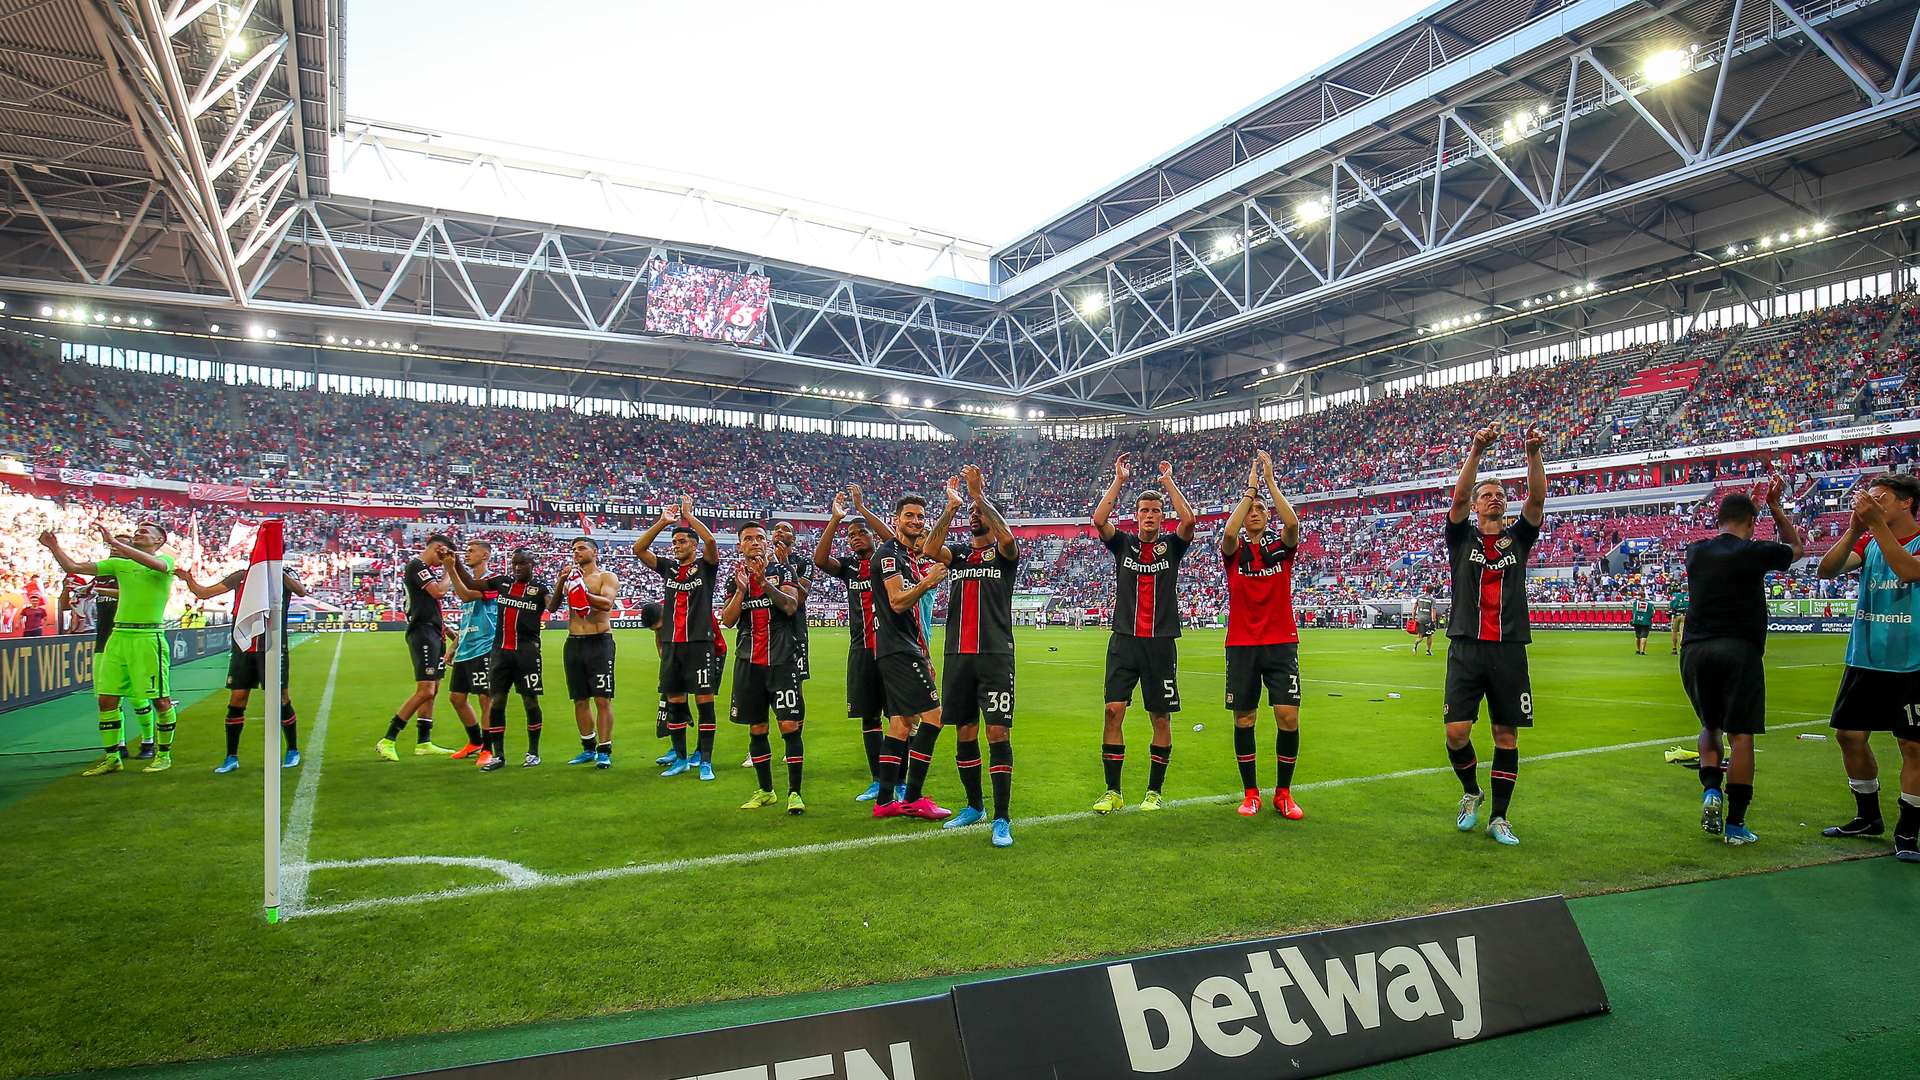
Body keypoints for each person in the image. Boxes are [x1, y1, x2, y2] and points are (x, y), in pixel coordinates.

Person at [1680, 479, 1803, 844]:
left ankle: (1711, 790)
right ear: (1751, 522)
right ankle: (1735, 824)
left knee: (1710, 725)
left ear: (1718, 519)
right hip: (1739, 650)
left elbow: (1730, 538)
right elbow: (1796, 549)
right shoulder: (1755, 552)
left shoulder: (1695, 551)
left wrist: (1749, 508)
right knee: (1741, 734)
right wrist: (1776, 508)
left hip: (1696, 650)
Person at [1441, 422, 1546, 847]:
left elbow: (1537, 498)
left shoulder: (1518, 539)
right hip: (1466, 645)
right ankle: (1471, 791)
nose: (1494, 498)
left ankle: (1499, 817)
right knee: (1456, 733)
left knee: (1506, 735)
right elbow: (1459, 496)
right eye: (1488, 494)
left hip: (1508, 649)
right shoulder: (1460, 537)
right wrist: (1476, 451)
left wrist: (1533, 455)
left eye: (1500, 494)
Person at [1814, 472, 1920, 862]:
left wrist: (1874, 525)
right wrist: (1855, 528)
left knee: (1913, 745)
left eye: (1881, 499)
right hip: (1866, 658)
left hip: (1913, 663)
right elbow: (1827, 570)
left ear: (1907, 502)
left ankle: (1908, 832)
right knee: (1849, 735)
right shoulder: (1868, 540)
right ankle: (1867, 816)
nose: (1871, 504)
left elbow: (1908, 570)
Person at [1090, 452, 1196, 814]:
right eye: (1143, 511)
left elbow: (1190, 520)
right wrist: (1119, 479)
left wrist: (1168, 481)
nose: (1149, 516)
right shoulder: (1123, 544)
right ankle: (1113, 791)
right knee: (1112, 710)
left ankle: (1154, 791)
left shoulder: (1172, 546)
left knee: (1160, 717)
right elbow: (1098, 519)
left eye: (1154, 511)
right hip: (1124, 641)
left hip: (1161, 643)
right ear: (1136, 516)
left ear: (1160, 516)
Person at [921, 465, 1019, 847]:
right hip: (958, 655)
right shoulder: (959, 556)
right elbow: (929, 549)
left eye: (980, 514)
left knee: (998, 731)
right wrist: (953, 506)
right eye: (972, 515)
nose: (974, 517)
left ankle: (1002, 818)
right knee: (964, 729)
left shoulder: (1005, 554)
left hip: (995, 654)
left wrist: (980, 497)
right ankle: (974, 806)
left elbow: (1008, 535)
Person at [39, 523, 180, 775]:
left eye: (146, 532)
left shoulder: (166, 561)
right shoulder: (119, 565)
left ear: (159, 541)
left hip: (148, 636)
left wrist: (116, 543)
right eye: (138, 530)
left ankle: (163, 755)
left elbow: (157, 566)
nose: (139, 533)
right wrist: (54, 547)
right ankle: (113, 758)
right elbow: (73, 567)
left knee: (159, 699)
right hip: (117, 636)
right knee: (107, 699)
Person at [1220, 451, 1305, 820]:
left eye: (1259, 509)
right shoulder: (1234, 551)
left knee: (1288, 716)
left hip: (1280, 642)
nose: (1253, 512)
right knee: (1245, 719)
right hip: (1241, 645)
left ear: (1267, 514)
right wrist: (1249, 490)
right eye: (1249, 509)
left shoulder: (1279, 549)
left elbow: (1293, 526)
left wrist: (1269, 484)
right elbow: (1227, 532)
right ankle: (1251, 792)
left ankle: (1283, 793)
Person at [175, 560, 310, 773]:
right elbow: (203, 594)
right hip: (243, 647)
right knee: (237, 699)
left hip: (273, 646)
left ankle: (292, 750)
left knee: (280, 699)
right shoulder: (241, 576)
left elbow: (301, 591)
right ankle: (231, 756)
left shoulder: (284, 573)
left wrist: (277, 572)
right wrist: (189, 579)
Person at [868, 495, 953, 821]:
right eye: (910, 516)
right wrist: (927, 582)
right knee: (934, 718)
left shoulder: (906, 555)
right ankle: (914, 797)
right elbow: (898, 602)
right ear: (897, 518)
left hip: (903, 649)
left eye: (920, 517)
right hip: (899, 651)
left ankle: (886, 800)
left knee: (901, 726)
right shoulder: (889, 554)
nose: (916, 521)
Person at [814, 485, 894, 800]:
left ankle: (898, 780)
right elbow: (821, 559)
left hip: (890, 647)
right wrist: (835, 520)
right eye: (852, 536)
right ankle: (877, 779)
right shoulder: (849, 568)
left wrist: (862, 511)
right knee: (869, 716)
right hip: (861, 649)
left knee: (897, 716)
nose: (856, 538)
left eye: (861, 533)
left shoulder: (886, 558)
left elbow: (892, 538)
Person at [632, 497, 721, 780]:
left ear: (693, 545)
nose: (677, 545)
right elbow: (639, 549)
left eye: (682, 541)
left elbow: (711, 542)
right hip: (672, 644)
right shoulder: (669, 568)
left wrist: (689, 517)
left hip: (699, 643)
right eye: (675, 542)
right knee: (675, 701)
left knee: (704, 702)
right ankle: (681, 758)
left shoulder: (705, 568)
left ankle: (705, 760)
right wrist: (663, 522)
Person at [721, 523, 807, 813]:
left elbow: (791, 606)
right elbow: (728, 620)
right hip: (749, 662)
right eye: (749, 539)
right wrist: (742, 590)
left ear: (767, 543)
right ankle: (766, 790)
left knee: (789, 726)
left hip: (781, 660)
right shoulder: (735, 580)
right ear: (739, 546)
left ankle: (794, 793)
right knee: (757, 728)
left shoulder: (782, 571)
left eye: (760, 538)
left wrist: (765, 583)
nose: (755, 543)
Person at [445, 545, 550, 770]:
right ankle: (499, 756)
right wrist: (455, 565)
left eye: (523, 563)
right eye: (514, 563)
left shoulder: (540, 588)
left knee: (530, 701)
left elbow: (554, 605)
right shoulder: (502, 583)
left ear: (532, 565)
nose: (517, 567)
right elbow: (471, 584)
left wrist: (561, 584)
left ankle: (533, 752)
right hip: (500, 653)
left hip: (527, 653)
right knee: (497, 703)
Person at [377, 534, 458, 761]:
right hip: (423, 634)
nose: (443, 562)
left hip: (434, 633)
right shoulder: (417, 565)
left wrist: (451, 634)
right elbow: (439, 593)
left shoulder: (424, 569)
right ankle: (388, 739)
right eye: (443, 557)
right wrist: (449, 571)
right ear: (439, 549)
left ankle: (424, 742)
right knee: (426, 690)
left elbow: (430, 607)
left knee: (434, 689)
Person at [553, 537, 620, 768]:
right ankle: (588, 747)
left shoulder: (605, 577)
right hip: (574, 642)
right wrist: (562, 583)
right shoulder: (570, 578)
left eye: (581, 548)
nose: (576, 552)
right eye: (573, 549)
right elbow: (552, 607)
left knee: (602, 699)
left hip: (599, 641)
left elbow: (606, 603)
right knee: (579, 699)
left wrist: (581, 591)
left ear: (595, 552)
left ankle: (604, 749)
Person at [442, 540, 499, 761]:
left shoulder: (493, 581)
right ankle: (475, 741)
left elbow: (466, 594)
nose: (467, 554)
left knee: (485, 699)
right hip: (466, 648)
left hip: (485, 647)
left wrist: (451, 568)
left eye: (471, 551)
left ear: (485, 555)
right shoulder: (470, 581)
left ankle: (487, 749)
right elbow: (467, 620)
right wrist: (454, 645)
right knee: (457, 698)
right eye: (465, 551)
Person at [1412, 585, 1439, 657]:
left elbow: (1414, 608)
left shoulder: (1419, 597)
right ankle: (1428, 650)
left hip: (1420, 619)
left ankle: (1415, 645)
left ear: (1425, 589)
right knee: (1429, 635)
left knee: (1420, 636)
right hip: (1428, 619)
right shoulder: (1432, 599)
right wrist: (1433, 620)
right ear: (1432, 591)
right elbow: (1433, 610)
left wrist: (1413, 618)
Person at [1629, 588, 1655, 655]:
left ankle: (1637, 650)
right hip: (1646, 622)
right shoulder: (1650, 604)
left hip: (1637, 621)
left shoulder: (1635, 603)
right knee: (1644, 636)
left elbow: (1633, 612)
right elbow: (1652, 613)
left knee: (1637, 636)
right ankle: (1642, 651)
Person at [1668, 582, 1689, 655]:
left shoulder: (1675, 595)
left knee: (1674, 632)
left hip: (1676, 615)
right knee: (1682, 632)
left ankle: (1674, 648)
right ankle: (1682, 648)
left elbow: (1671, 605)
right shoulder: (1689, 595)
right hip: (1685, 615)